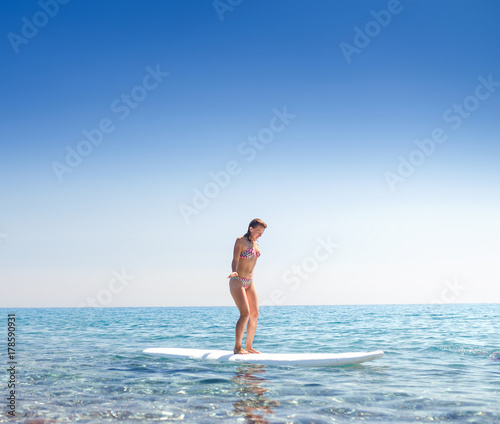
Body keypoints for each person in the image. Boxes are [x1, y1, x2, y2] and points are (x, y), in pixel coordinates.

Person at [227, 218, 267, 354]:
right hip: (237, 279)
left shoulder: (256, 244)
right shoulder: (240, 241)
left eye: (263, 232)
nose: (261, 234)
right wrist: (233, 270)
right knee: (245, 314)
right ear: (251, 228)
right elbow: (235, 259)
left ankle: (249, 346)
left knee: (255, 314)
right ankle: (237, 348)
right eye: (259, 231)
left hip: (250, 282)